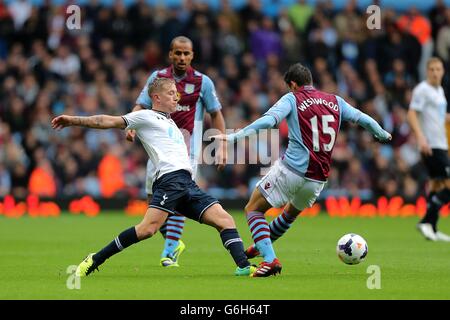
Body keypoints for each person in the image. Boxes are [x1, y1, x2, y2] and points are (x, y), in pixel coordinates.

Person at [51, 78, 254, 277]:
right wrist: (72, 120)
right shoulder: (146, 116)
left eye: (177, 93)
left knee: (225, 219)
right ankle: (95, 259)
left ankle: (243, 266)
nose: (176, 97)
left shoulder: (170, 122)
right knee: (148, 229)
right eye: (171, 93)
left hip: (187, 183)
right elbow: (107, 120)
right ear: (156, 97)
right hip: (169, 180)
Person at [212, 63, 392, 277]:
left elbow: (269, 121)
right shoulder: (335, 101)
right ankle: (262, 246)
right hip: (318, 178)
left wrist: (234, 137)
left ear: (293, 84)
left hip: (292, 170)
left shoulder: (292, 98)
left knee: (253, 209)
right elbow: (362, 118)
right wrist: (381, 134)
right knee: (289, 214)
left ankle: (270, 260)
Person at [127, 36, 227, 267]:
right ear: (170, 54)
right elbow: (140, 105)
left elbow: (216, 114)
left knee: (178, 194)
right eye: (178, 53)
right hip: (159, 150)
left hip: (187, 150)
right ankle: (174, 242)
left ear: (192, 56)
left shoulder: (203, 82)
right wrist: (131, 126)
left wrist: (221, 146)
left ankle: (170, 249)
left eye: (186, 54)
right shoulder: (157, 78)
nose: (182, 57)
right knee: (152, 200)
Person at [407, 57, 450, 241]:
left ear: (443, 71)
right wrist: (421, 137)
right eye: (431, 69)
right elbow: (411, 113)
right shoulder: (422, 90)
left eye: (438, 69)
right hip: (431, 145)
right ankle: (425, 221)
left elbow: (437, 117)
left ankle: (431, 227)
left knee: (437, 184)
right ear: (427, 71)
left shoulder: (439, 91)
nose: (435, 72)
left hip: (441, 143)